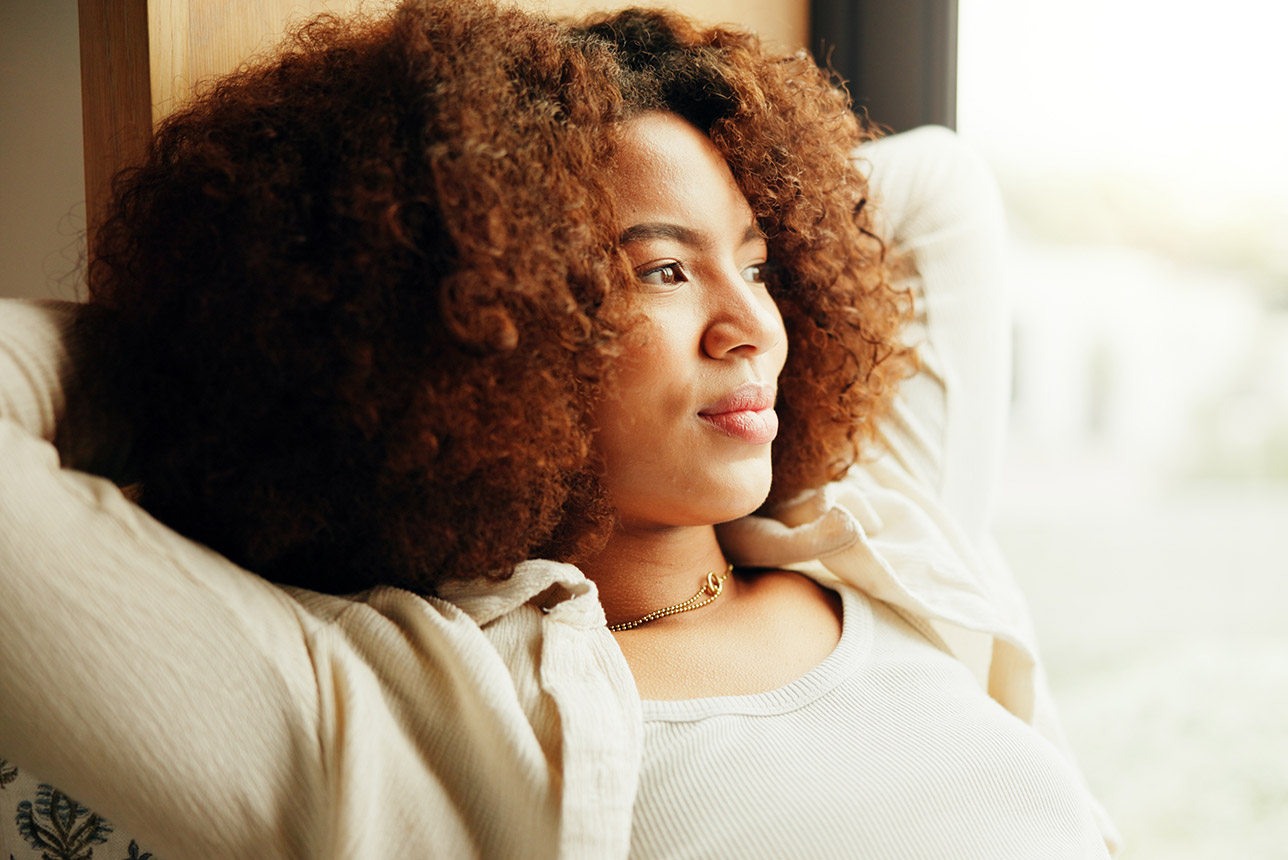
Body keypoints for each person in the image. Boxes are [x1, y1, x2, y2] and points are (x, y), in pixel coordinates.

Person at [0, 1, 1120, 857]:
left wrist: (645, 113)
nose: (752, 328)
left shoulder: (874, 532)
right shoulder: (404, 727)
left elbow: (935, 188)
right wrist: (226, 353)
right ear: (487, 320)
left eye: (763, 261)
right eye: (663, 269)